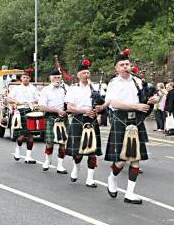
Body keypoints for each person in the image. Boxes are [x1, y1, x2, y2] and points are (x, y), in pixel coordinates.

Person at [100, 47, 158, 204]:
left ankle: (130, 193)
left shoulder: (138, 81)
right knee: (121, 160)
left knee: (135, 159)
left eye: (127, 64)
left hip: (137, 121)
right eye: (122, 65)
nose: (126, 67)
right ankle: (112, 178)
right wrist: (136, 106)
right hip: (121, 119)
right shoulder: (113, 83)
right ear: (116, 68)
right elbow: (114, 103)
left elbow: (150, 96)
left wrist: (153, 100)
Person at [65, 58, 103, 188]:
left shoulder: (96, 88)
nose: (86, 75)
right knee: (78, 152)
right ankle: (76, 168)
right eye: (84, 73)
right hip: (78, 119)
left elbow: (103, 104)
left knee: (92, 151)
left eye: (88, 73)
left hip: (91, 120)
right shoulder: (73, 89)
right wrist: (84, 110)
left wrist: (99, 108)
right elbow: (69, 107)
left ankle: (90, 179)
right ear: (78, 76)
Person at [38, 69, 69, 174]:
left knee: (62, 142)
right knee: (50, 142)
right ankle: (47, 160)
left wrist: (67, 111)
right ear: (50, 78)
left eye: (58, 77)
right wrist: (57, 110)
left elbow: (71, 102)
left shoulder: (65, 88)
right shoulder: (45, 90)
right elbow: (42, 106)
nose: (57, 79)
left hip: (63, 117)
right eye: (55, 77)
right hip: (51, 117)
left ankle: (60, 165)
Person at [8, 70, 39, 164]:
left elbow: (38, 98)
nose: (26, 79)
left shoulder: (33, 88)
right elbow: (8, 99)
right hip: (20, 111)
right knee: (23, 135)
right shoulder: (16, 89)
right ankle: (19, 152)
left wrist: (36, 101)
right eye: (24, 77)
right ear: (21, 79)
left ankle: (26, 156)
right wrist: (15, 102)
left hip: (31, 111)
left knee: (29, 135)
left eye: (27, 78)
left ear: (30, 79)